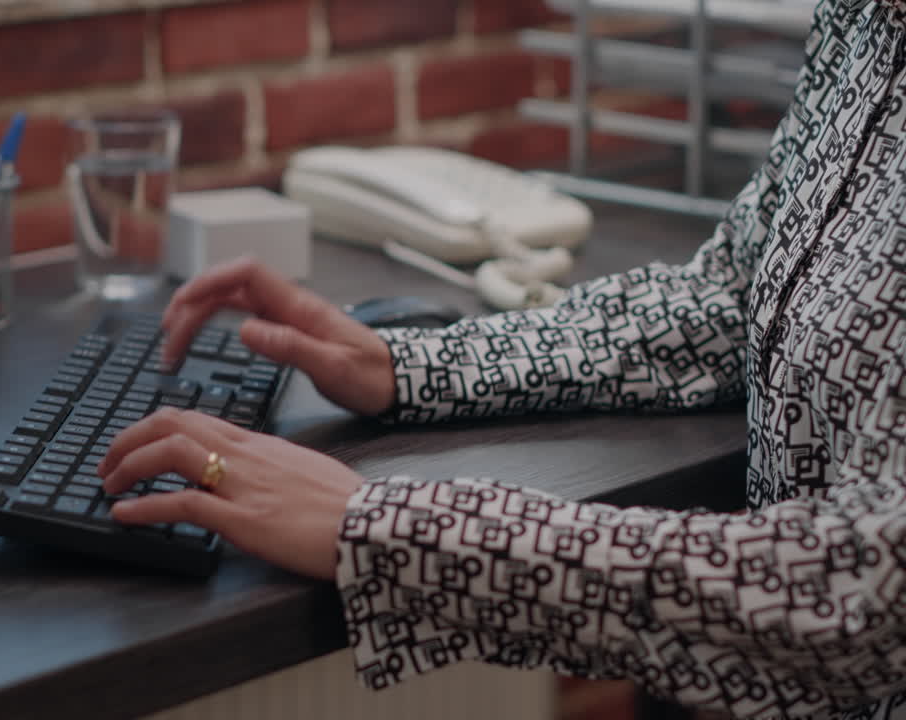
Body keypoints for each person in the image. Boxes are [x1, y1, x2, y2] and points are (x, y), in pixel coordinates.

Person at [97, 0, 906, 717]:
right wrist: (412, 365)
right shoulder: (862, 21)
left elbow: (864, 594)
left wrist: (390, 528)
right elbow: (732, 295)